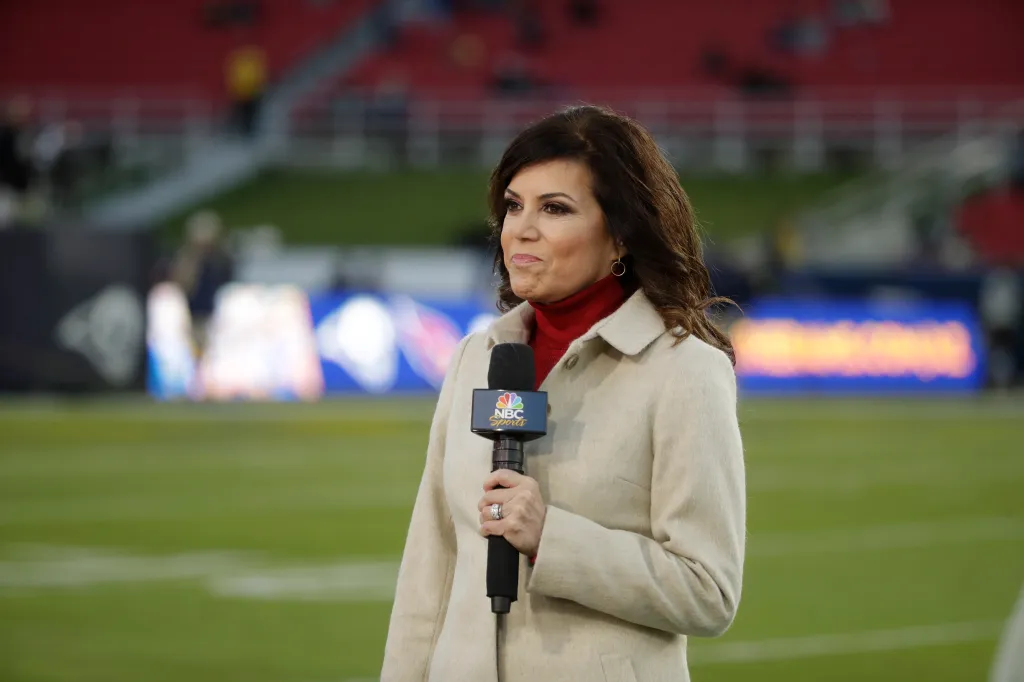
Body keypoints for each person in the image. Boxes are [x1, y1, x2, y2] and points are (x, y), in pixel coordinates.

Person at [381, 105, 746, 682]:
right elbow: (431, 566)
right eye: (513, 206)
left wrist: (551, 537)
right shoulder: (476, 358)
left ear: (620, 233)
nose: (521, 229)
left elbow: (708, 590)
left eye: (555, 208)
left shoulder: (685, 372)